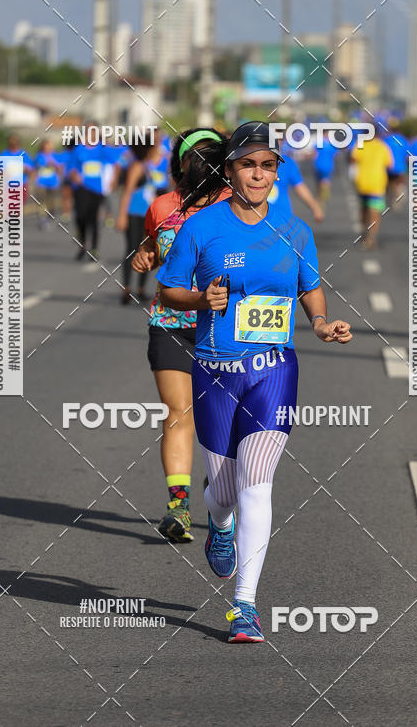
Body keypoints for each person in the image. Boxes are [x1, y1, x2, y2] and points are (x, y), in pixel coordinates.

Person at [156, 121, 352, 642]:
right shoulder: (202, 227)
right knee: (222, 492)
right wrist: (200, 301)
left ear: (276, 173)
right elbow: (167, 291)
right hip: (215, 371)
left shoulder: (293, 230)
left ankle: (244, 605)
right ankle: (218, 527)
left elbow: (310, 286)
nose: (259, 174)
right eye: (248, 164)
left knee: (256, 483)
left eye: (268, 165)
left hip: (273, 370)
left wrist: (319, 322)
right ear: (230, 171)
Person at [131, 129, 230, 542]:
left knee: (222, 422)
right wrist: (145, 254)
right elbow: (158, 250)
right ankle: (178, 507)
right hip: (171, 323)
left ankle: (220, 495)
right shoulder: (161, 207)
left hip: (225, 328)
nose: (204, 164)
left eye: (213, 157)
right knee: (179, 412)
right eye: (197, 156)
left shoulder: (238, 206)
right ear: (181, 163)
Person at [116, 136, 170, 303]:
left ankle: (140, 288)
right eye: (153, 147)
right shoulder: (137, 167)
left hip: (148, 216)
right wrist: (122, 216)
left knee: (147, 250)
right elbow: (127, 192)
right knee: (132, 249)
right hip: (134, 214)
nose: (156, 150)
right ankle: (126, 288)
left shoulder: (148, 167)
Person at [69, 127, 112, 262]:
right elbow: (71, 168)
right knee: (80, 216)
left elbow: (115, 162)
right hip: (81, 188)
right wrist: (74, 175)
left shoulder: (102, 149)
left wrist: (113, 180)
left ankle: (93, 248)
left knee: (93, 219)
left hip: (96, 189)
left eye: (94, 134)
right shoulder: (78, 149)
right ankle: (82, 245)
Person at [350, 129, 393, 249]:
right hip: (377, 184)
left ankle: (364, 232)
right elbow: (390, 164)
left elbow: (353, 160)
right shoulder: (383, 146)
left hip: (362, 183)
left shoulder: (360, 145)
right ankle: (370, 238)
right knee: (374, 213)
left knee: (363, 210)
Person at [266, 152, 324, 223]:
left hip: (282, 218)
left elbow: (299, 186)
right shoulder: (251, 160)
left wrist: (315, 207)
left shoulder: (287, 162)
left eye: (280, 140)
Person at [34, 139, 62, 229]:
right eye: (46, 146)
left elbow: (60, 168)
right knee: (42, 201)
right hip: (41, 183)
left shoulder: (55, 156)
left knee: (52, 203)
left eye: (49, 146)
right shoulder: (39, 156)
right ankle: (42, 218)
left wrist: (54, 165)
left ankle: (50, 217)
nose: (48, 148)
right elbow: (36, 166)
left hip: (53, 183)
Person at [0, 134, 34, 201]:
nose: (13, 143)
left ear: (18, 142)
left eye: (15, 142)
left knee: (20, 206)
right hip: (7, 185)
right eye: (11, 142)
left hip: (21, 184)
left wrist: (25, 169)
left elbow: (30, 170)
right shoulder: (4, 154)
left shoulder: (24, 154)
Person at [313, 132, 338, 202]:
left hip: (319, 165)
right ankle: (324, 196)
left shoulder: (318, 143)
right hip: (328, 165)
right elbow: (335, 155)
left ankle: (320, 195)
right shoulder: (332, 144)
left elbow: (315, 154)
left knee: (319, 181)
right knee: (326, 180)